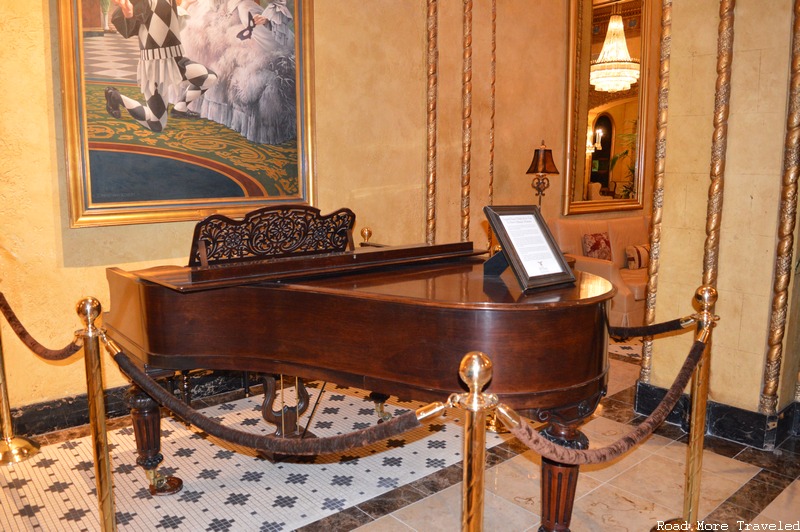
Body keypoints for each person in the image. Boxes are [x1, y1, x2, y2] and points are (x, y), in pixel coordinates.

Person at [104, 0, 218, 132]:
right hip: (154, 67)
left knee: (208, 78)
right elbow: (129, 27)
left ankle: (179, 108)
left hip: (175, 61)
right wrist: (128, 13)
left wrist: (185, 4)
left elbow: (173, 26)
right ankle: (115, 97)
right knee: (157, 124)